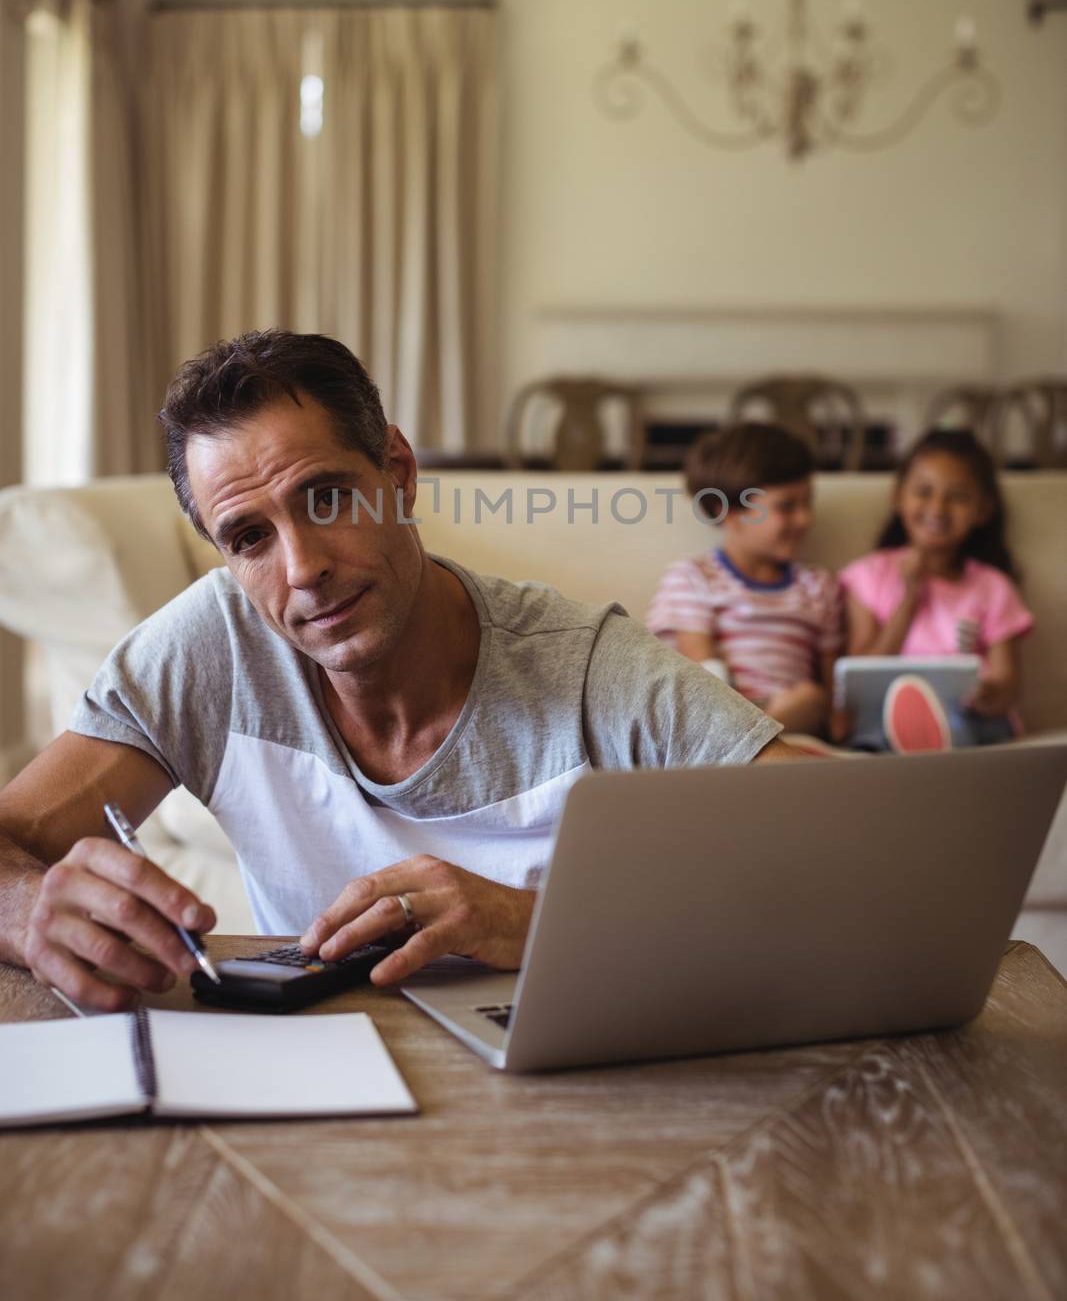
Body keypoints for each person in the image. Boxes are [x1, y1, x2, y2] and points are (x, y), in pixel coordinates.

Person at [0, 330, 803, 1013]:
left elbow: (845, 844)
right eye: (249, 538)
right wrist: (31, 904)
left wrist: (541, 921)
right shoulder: (210, 648)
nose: (304, 567)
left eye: (326, 499)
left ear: (398, 474)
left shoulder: (586, 663)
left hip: (566, 1082)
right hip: (312, 1085)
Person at [838, 428, 1034, 752]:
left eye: (957, 497)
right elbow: (861, 673)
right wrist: (908, 600)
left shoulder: (992, 587)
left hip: (971, 715)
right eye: (924, 491)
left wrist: (988, 694)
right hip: (887, 713)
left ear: (983, 509)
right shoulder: (869, 575)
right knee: (871, 727)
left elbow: (1009, 685)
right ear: (898, 496)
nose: (938, 508)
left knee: (955, 719)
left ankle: (929, 743)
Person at [646, 422, 842, 736]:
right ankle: (745, 741)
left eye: (808, 503)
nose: (805, 518)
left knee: (809, 699)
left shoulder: (817, 586)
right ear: (728, 511)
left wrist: (837, 718)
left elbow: (833, 677)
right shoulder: (693, 578)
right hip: (719, 709)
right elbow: (701, 664)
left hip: (793, 718)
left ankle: (759, 744)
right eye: (787, 507)